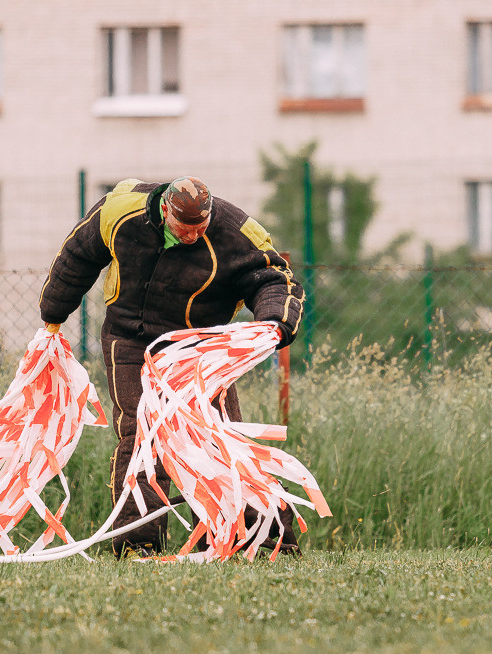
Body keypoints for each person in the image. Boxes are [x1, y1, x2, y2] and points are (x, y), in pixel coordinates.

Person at [40, 176, 304, 557]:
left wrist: (274, 322)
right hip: (130, 339)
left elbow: (274, 279)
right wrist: (53, 315)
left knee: (222, 438)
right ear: (165, 210)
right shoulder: (119, 211)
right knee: (140, 436)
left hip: (200, 346)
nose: (195, 235)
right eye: (186, 228)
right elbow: (77, 258)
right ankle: (136, 543)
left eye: (202, 227)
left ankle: (266, 540)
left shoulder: (234, 230)